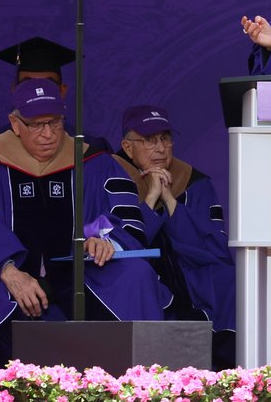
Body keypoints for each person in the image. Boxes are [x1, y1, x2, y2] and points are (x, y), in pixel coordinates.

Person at [0, 80, 169, 367]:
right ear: (15, 123)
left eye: (55, 122)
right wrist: (6, 269)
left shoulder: (93, 159)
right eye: (36, 125)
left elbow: (124, 217)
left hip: (82, 269)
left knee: (135, 274)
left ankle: (144, 378)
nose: (48, 134)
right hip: (7, 273)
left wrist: (103, 238)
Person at [114, 105, 236, 370]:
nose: (160, 148)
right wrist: (149, 198)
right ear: (127, 146)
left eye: (165, 138)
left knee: (227, 278)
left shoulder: (194, 181)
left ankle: (227, 370)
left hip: (190, 273)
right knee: (137, 277)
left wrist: (169, 200)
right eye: (149, 140)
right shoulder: (112, 177)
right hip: (139, 273)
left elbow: (213, 247)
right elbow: (120, 243)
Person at [0, 36, 111, 151]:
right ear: (14, 90)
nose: (38, 93)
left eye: (47, 85)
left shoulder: (90, 150)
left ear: (62, 90)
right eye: (28, 84)